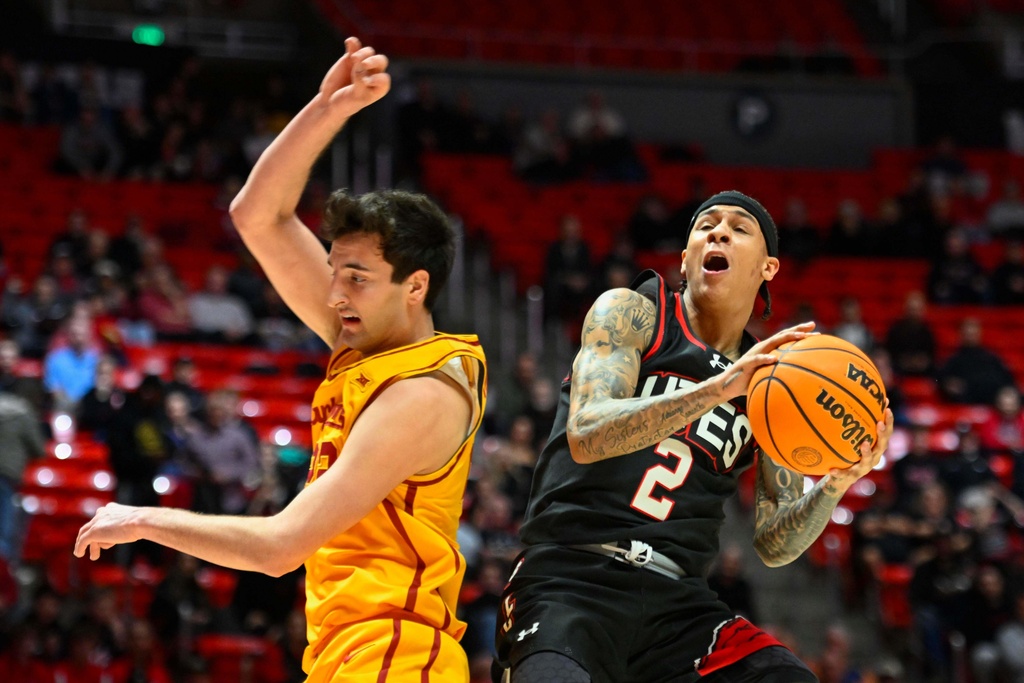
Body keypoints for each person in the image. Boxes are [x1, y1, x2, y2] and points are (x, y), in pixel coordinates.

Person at [75, 37, 487, 683]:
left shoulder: (422, 393)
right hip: (347, 650)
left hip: (397, 656)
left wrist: (142, 519)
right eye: (333, 271)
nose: (333, 293)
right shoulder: (365, 342)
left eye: (356, 277)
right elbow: (257, 215)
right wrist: (329, 106)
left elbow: (279, 547)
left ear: (416, 287)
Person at [494, 190, 894, 682]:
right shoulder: (635, 312)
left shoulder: (773, 384)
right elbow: (587, 432)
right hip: (570, 579)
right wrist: (719, 387)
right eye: (706, 226)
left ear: (768, 268)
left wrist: (834, 482)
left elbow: (774, 544)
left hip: (678, 608)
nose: (719, 232)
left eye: (738, 227)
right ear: (685, 258)